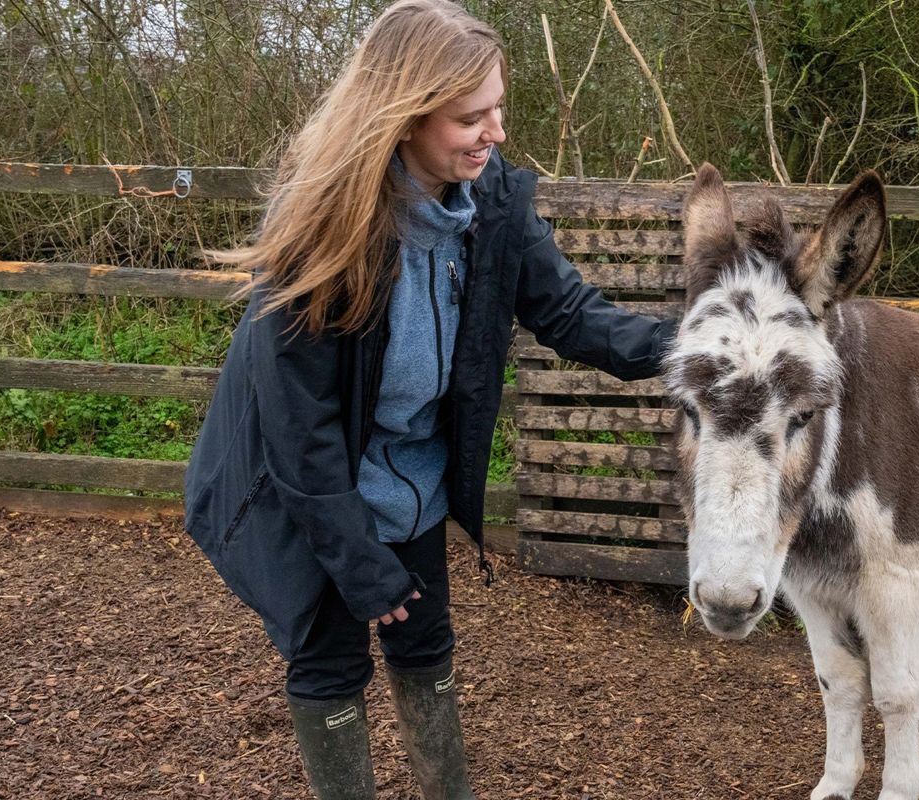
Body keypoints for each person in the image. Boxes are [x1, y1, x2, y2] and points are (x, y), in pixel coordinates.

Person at [181, 2, 675, 798]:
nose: (497, 133)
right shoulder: (323, 235)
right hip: (303, 487)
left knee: (424, 641)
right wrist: (362, 570)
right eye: (471, 116)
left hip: (407, 476)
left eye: (500, 109)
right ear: (405, 117)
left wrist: (702, 347)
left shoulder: (494, 208)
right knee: (331, 659)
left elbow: (573, 314)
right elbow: (302, 438)